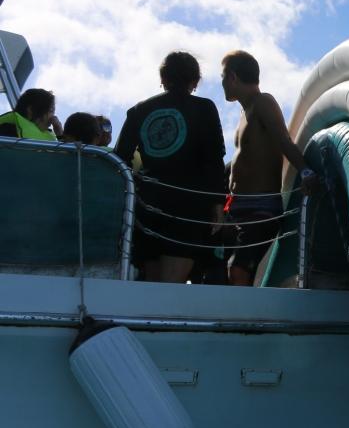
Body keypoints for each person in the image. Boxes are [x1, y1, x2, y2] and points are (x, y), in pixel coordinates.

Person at [115, 52, 226, 283]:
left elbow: (120, 159)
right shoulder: (204, 108)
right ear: (195, 80)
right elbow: (213, 158)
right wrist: (217, 202)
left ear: (163, 78)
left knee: (152, 284)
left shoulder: (139, 111)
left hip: (148, 204)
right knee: (170, 285)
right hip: (188, 205)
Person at [220, 50, 315, 286]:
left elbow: (284, 140)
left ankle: (241, 312)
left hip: (260, 208)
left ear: (232, 76)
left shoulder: (263, 102)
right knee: (219, 271)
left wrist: (305, 171)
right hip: (236, 209)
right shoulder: (244, 112)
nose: (221, 83)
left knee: (238, 270)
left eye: (222, 77)